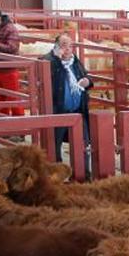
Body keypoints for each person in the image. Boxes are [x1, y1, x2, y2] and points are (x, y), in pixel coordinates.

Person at [44, 33, 92, 170]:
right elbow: (47, 78)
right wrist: (57, 60)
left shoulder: (75, 62)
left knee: (83, 144)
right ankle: (56, 174)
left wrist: (87, 81)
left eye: (70, 46)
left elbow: (86, 75)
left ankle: (83, 174)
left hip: (78, 111)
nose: (68, 49)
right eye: (64, 45)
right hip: (58, 111)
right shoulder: (48, 61)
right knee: (54, 145)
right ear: (56, 46)